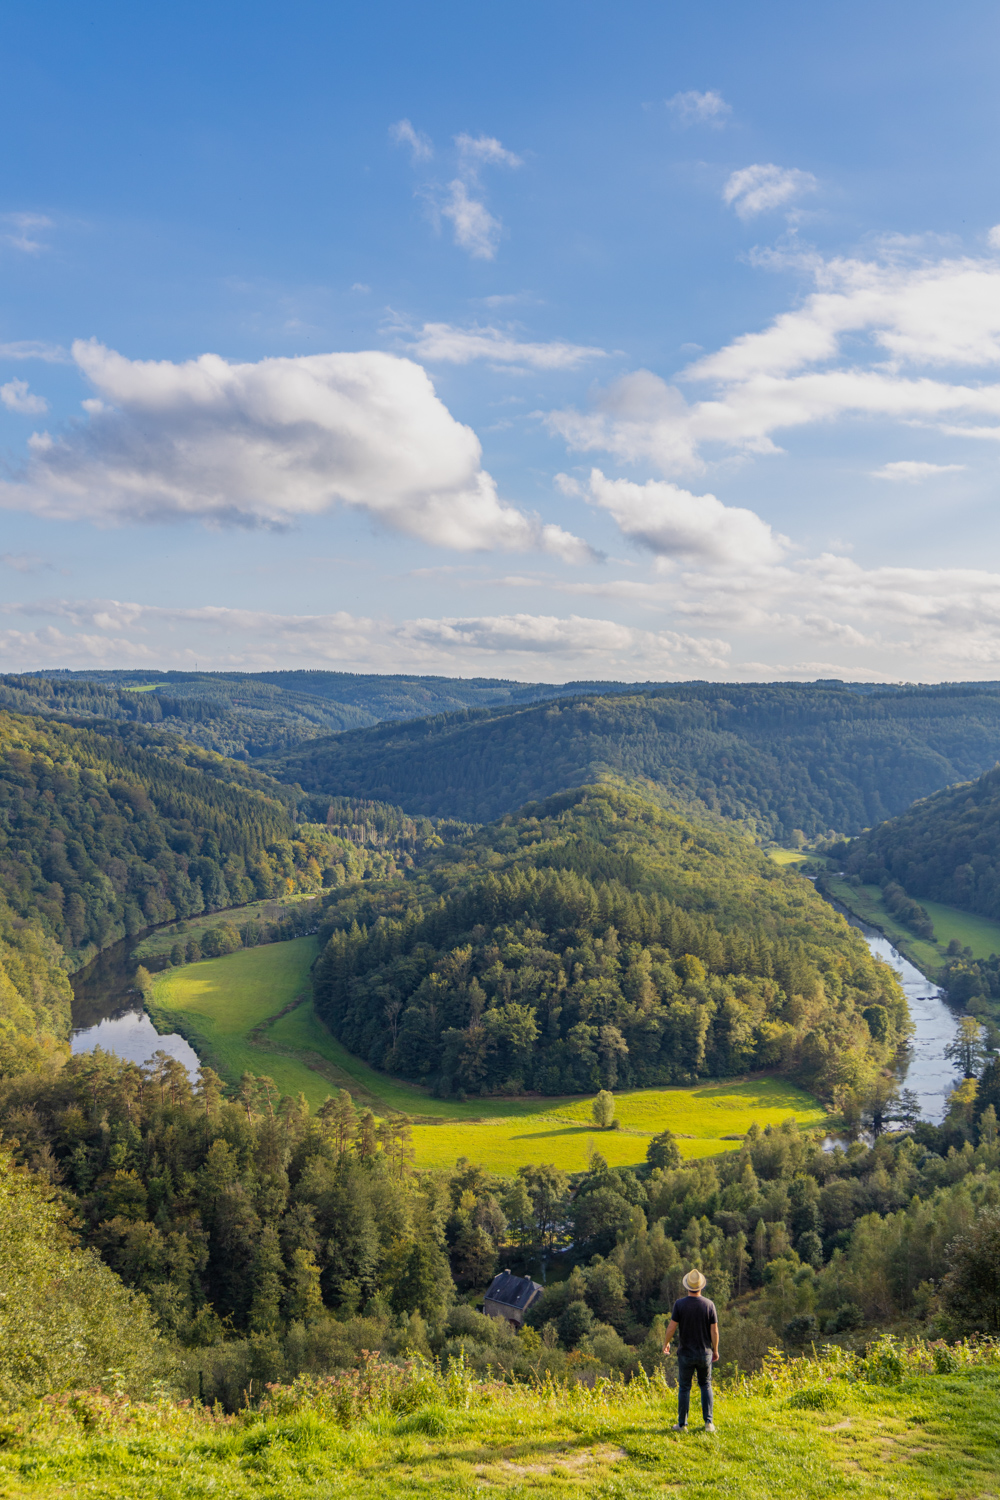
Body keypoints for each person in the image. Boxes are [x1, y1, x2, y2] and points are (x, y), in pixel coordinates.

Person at [662, 1268, 718, 1432]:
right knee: (706, 1385)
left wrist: (666, 1343)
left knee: (684, 1388)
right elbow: (714, 1331)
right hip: (704, 1353)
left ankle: (682, 1425)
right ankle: (708, 1423)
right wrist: (715, 1350)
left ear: (688, 1286)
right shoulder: (709, 1305)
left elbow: (672, 1327)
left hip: (685, 1353)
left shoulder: (680, 1304)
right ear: (701, 1286)